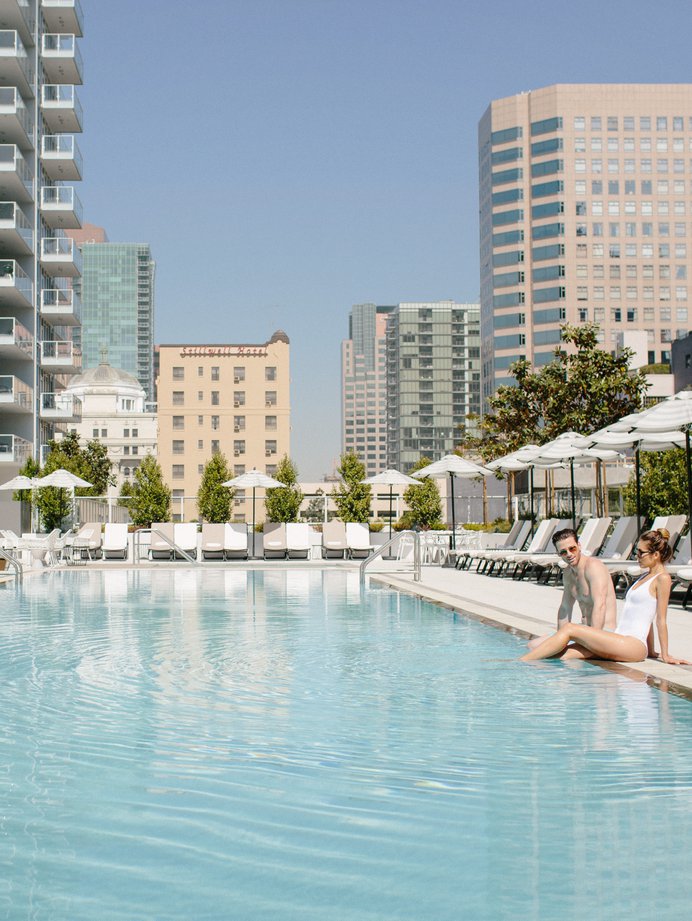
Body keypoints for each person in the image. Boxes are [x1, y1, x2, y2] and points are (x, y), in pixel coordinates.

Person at [521, 528, 691, 665]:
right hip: (621, 639)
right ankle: (527, 664)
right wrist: (652, 651)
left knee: (570, 629)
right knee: (560, 655)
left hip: (632, 645)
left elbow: (661, 619)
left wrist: (666, 655)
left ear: (655, 555)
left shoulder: (663, 578)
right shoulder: (643, 577)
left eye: (641, 553)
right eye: (636, 552)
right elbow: (646, 616)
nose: (636, 556)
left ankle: (519, 664)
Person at [526, 527, 617, 651]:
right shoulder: (568, 573)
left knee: (551, 654)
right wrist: (559, 638)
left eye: (572, 548)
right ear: (559, 554)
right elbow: (565, 607)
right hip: (584, 631)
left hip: (603, 633)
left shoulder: (594, 567)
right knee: (533, 645)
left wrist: (594, 642)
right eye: (563, 552)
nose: (569, 554)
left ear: (579, 545)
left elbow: (600, 605)